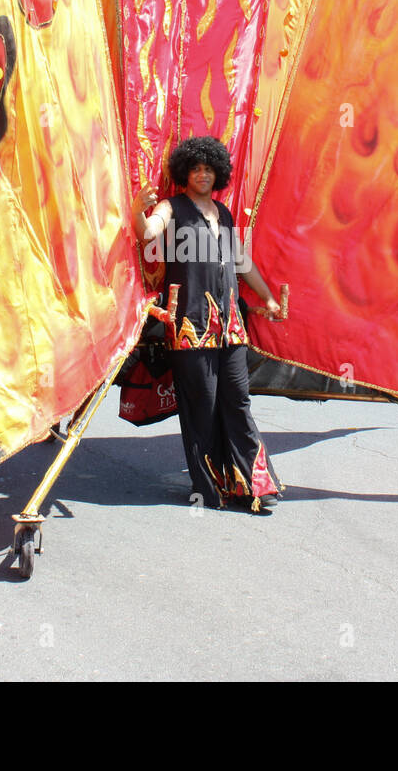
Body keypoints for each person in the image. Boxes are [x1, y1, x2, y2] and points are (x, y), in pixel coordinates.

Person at [131, 136, 285, 513]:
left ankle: (253, 484)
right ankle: (211, 486)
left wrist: (266, 298)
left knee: (238, 400)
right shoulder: (172, 207)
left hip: (230, 325)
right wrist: (138, 209)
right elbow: (147, 232)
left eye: (209, 169)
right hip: (188, 325)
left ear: (218, 174)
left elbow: (241, 263)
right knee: (203, 405)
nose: (203, 174)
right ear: (185, 173)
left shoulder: (225, 214)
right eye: (196, 168)